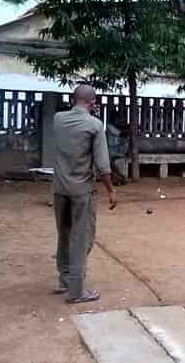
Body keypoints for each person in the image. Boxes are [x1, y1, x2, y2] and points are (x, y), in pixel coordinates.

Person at [52, 84, 117, 304]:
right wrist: (110, 190)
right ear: (93, 102)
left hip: (60, 188)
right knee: (81, 238)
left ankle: (64, 280)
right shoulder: (94, 125)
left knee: (64, 233)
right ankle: (77, 290)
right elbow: (103, 166)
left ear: (73, 99)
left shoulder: (58, 119)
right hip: (82, 190)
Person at [106, 114, 128, 186]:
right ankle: (120, 178)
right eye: (117, 119)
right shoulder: (109, 126)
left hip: (118, 149)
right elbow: (120, 133)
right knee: (111, 164)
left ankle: (119, 178)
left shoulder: (118, 127)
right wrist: (129, 129)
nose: (118, 121)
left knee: (112, 164)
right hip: (112, 149)